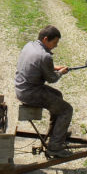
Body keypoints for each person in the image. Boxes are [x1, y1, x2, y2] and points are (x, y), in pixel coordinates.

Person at [15, 25, 73, 158]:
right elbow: (51, 78)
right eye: (54, 43)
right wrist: (60, 73)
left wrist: (55, 68)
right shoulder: (45, 56)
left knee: (58, 96)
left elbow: (38, 65)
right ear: (46, 39)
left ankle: (55, 133)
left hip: (22, 87)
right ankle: (55, 148)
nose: (56, 46)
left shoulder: (30, 45)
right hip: (30, 93)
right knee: (67, 110)